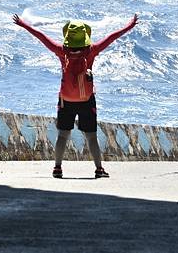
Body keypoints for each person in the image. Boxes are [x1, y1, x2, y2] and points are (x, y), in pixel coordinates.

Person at [12, 13, 138, 178]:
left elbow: (41, 37)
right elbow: (111, 38)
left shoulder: (61, 52)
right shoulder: (91, 51)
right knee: (91, 136)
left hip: (66, 100)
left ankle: (57, 167)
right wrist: (129, 26)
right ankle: (99, 169)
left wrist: (23, 24)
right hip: (86, 100)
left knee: (63, 135)